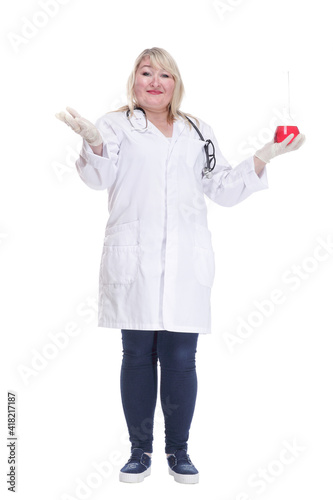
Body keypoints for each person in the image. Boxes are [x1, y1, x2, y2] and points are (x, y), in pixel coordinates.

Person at [55, 47, 305, 484]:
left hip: (186, 259)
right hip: (135, 259)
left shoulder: (197, 130)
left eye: (164, 74)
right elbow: (99, 178)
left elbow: (223, 188)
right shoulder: (116, 125)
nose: (155, 81)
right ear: (133, 81)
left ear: (176, 83)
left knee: (181, 357)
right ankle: (138, 452)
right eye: (146, 72)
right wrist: (93, 142)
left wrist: (265, 155)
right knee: (136, 356)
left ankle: (179, 451)